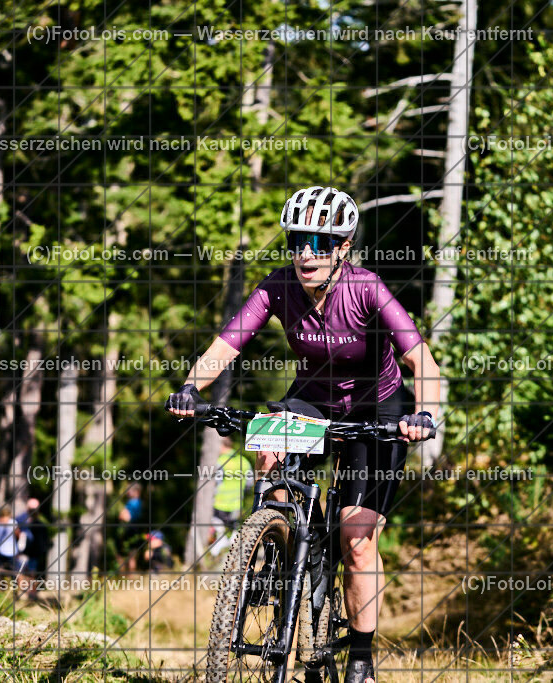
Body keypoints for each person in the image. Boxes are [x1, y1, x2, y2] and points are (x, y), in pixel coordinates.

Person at [167, 186, 441, 683]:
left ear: (343, 247)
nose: (305, 252)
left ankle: (359, 656)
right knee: (267, 447)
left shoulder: (367, 288)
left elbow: (423, 362)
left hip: (377, 408)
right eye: (297, 240)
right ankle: (283, 538)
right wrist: (189, 386)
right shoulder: (277, 287)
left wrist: (422, 416)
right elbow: (227, 345)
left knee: (357, 538)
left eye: (319, 240)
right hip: (312, 398)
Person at [209, 437, 253, 557]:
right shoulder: (244, 461)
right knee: (233, 529)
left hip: (220, 502)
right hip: (237, 503)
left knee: (219, 531)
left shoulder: (220, 461)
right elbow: (249, 483)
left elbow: (214, 482)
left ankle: (218, 555)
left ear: (222, 446)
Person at [0, 505, 25, 586]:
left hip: (8, 552)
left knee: (13, 573)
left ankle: (17, 590)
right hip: (4, 552)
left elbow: (19, 536)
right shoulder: (1, 524)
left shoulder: (10, 523)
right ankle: (1, 589)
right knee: (0, 572)